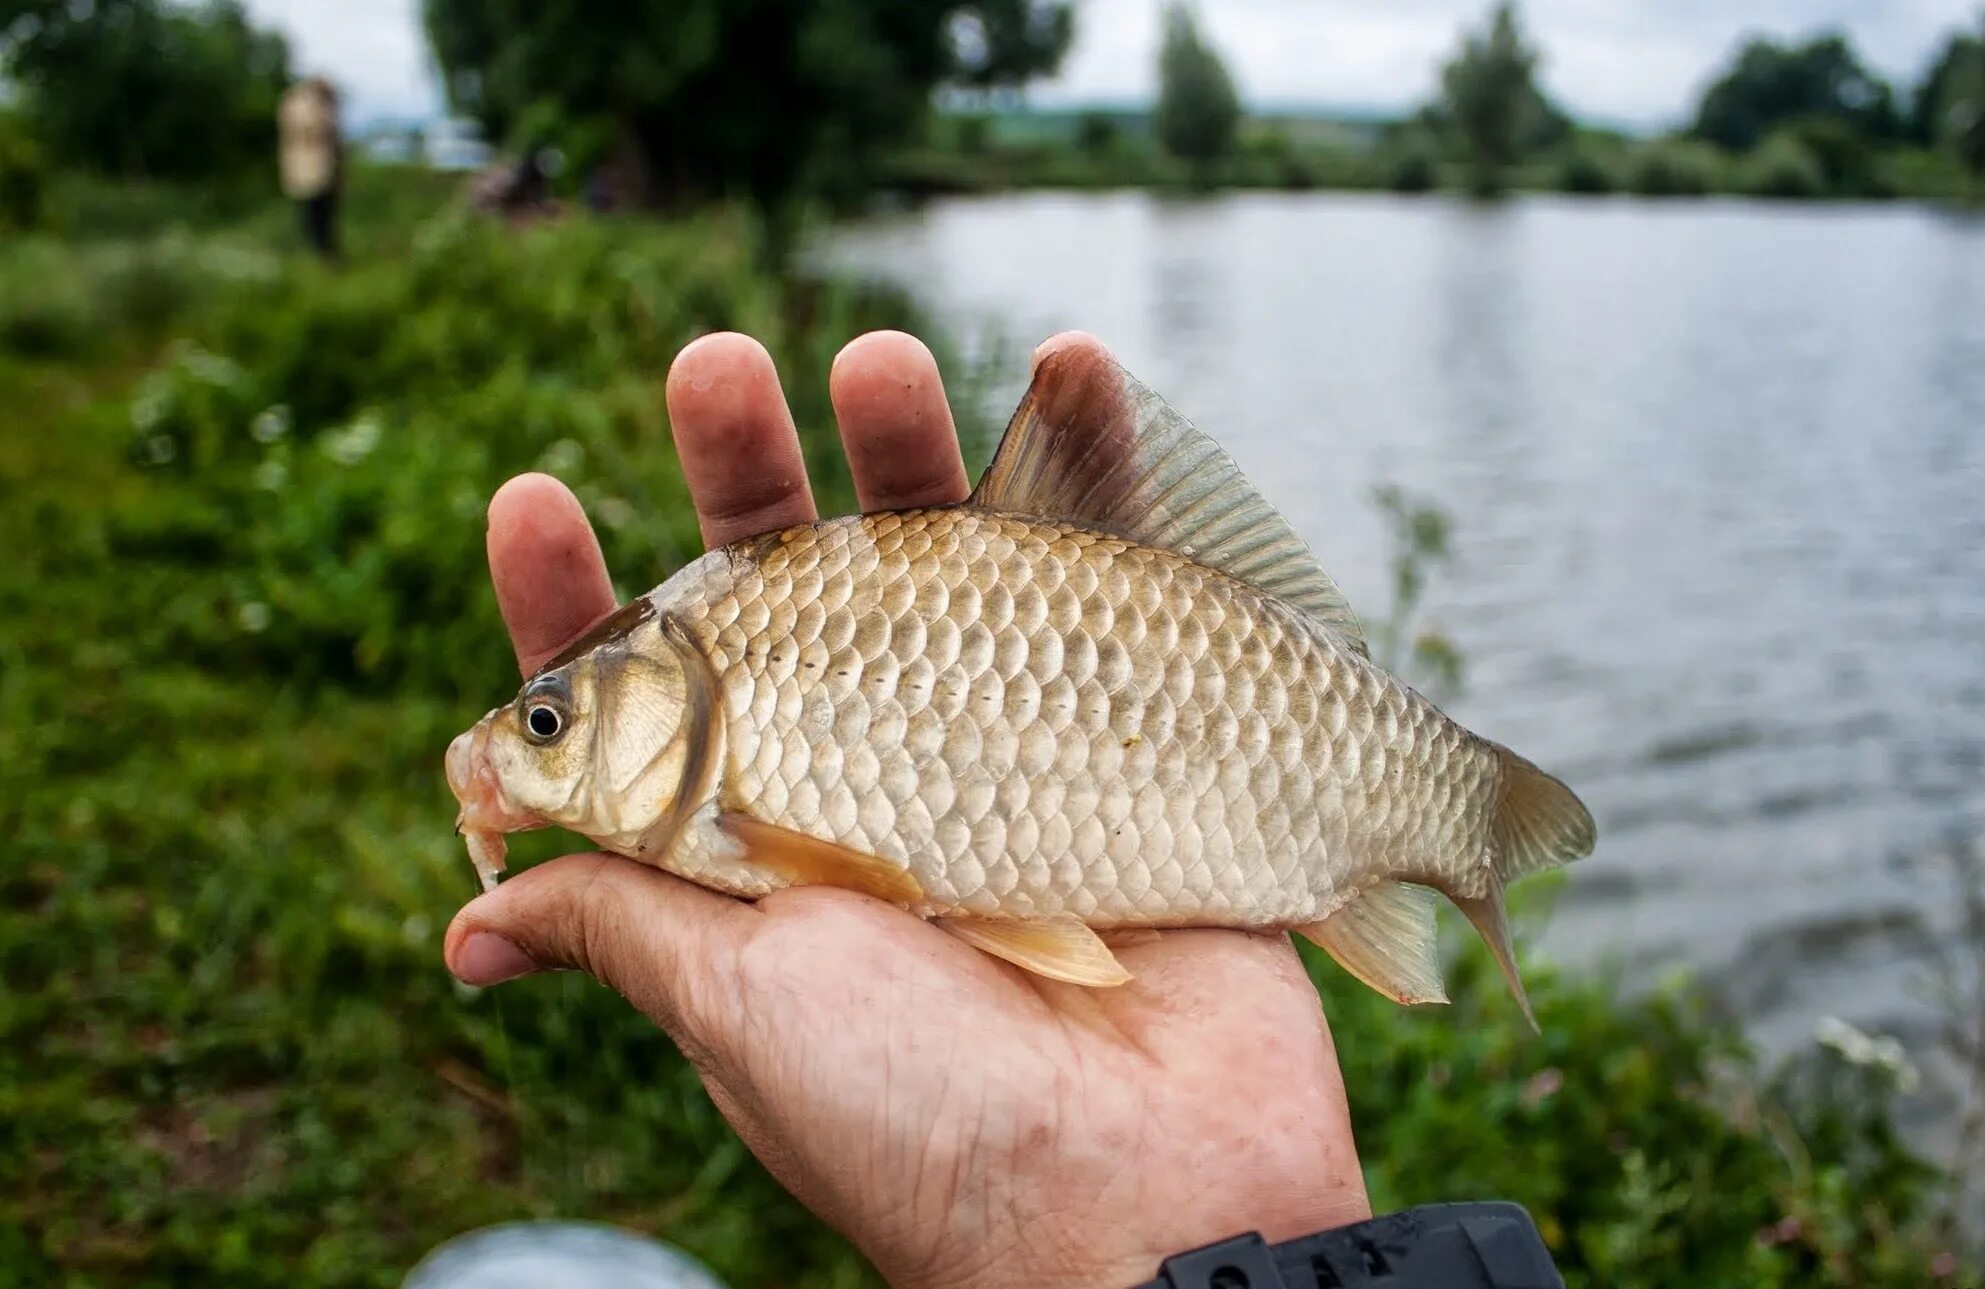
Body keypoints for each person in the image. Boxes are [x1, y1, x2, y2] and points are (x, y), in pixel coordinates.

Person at [444, 330, 1552, 1289]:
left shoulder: (730, 797)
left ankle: (1455, 828)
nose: (526, 740)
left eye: (547, 724)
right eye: (548, 723)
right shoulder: (716, 650)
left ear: (668, 701)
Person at [278, 77, 343, 259]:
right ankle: (319, 253)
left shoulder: (303, 103)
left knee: (321, 214)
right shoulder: (304, 104)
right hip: (312, 168)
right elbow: (314, 131)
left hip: (318, 169)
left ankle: (321, 252)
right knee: (315, 214)